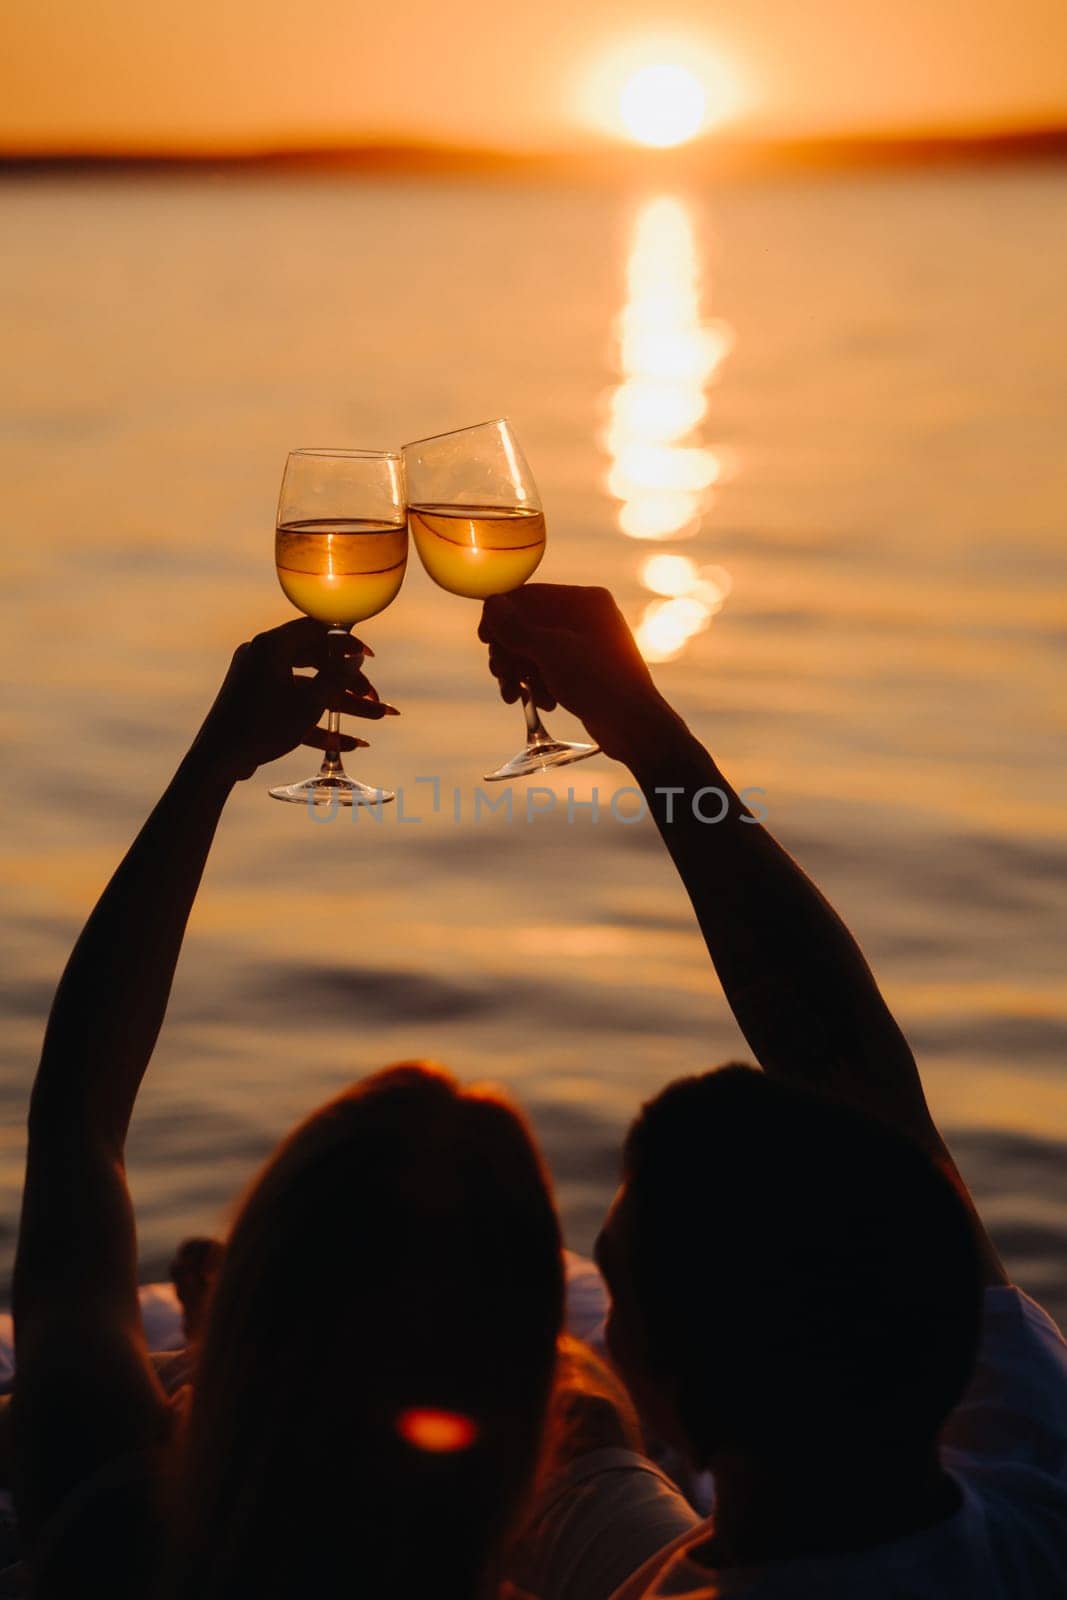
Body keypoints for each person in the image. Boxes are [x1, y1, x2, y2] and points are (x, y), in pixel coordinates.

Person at [479, 584, 1067, 1600]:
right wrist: (646, 733)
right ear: (953, 1332)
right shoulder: (1037, 1497)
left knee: (553, 1448)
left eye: (614, 1292)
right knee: (582, 1446)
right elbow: (850, 1072)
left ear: (670, 1403)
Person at [11, 619, 565, 1600]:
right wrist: (654, 744)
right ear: (527, 1390)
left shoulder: (115, 1527)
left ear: (241, 1321)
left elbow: (76, 1125)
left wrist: (212, 763)